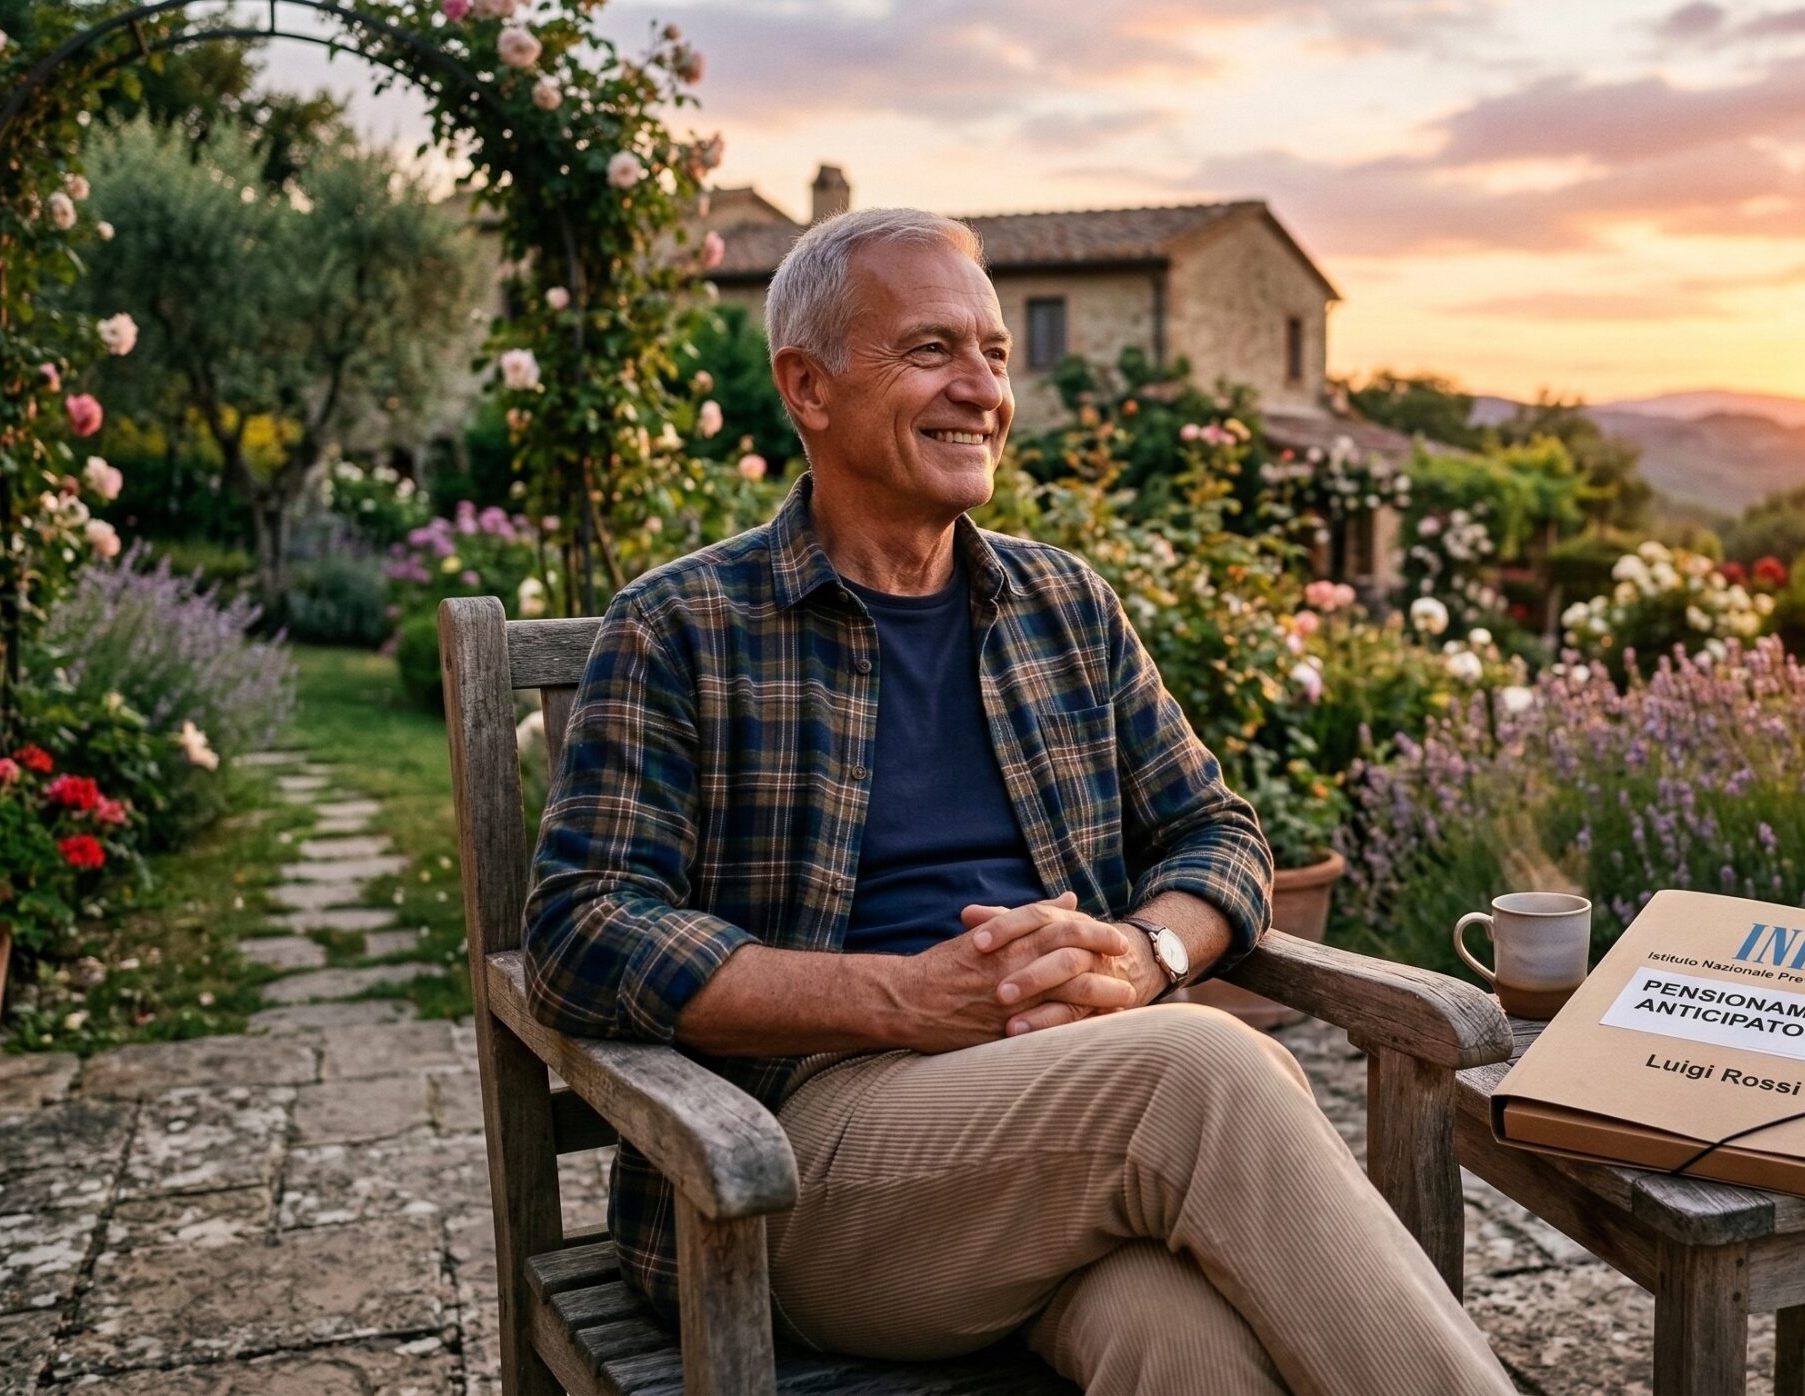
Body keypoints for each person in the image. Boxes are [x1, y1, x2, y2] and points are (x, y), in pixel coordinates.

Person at [522, 207, 1513, 1393]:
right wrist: (903, 998)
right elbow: (581, 932)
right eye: (931, 350)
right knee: (1206, 1072)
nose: (981, 388)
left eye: (994, 353)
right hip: (791, 1165)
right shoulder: (685, 625)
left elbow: (1219, 833)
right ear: (809, 385)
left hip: (1060, 1133)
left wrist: (1145, 955)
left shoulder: (1060, 606)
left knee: (1186, 1350)